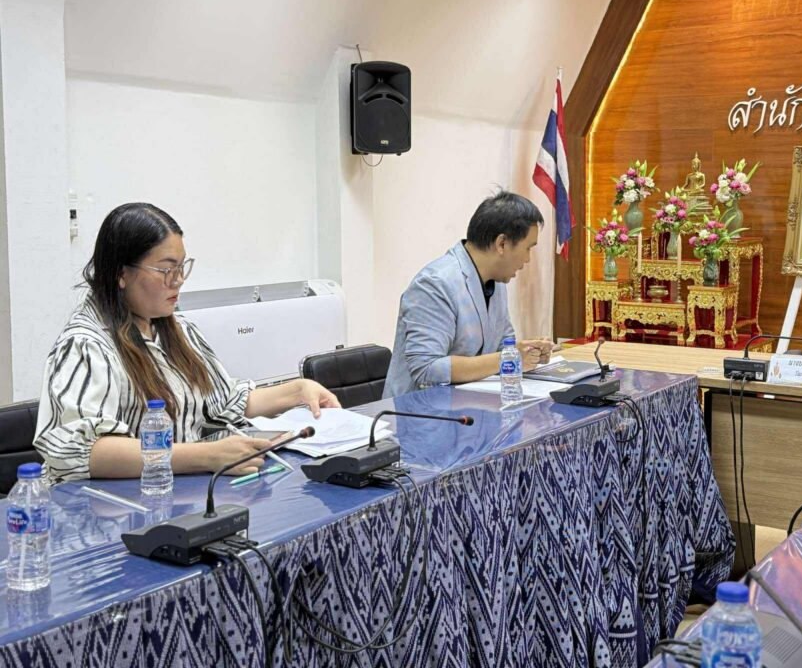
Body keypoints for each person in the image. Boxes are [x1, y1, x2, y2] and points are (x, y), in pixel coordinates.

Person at [34, 203, 340, 484]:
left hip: (173, 494)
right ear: (121, 274)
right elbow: (81, 452)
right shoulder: (86, 345)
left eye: (182, 268)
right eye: (166, 270)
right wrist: (204, 456)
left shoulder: (176, 329)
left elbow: (226, 402)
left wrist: (298, 391)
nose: (178, 280)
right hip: (108, 507)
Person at [384, 191, 555, 398]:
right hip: (419, 411)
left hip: (471, 405)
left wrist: (528, 353)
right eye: (528, 248)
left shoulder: (497, 281)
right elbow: (427, 369)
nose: (528, 259)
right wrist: (508, 358)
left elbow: (502, 346)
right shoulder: (435, 284)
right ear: (502, 244)